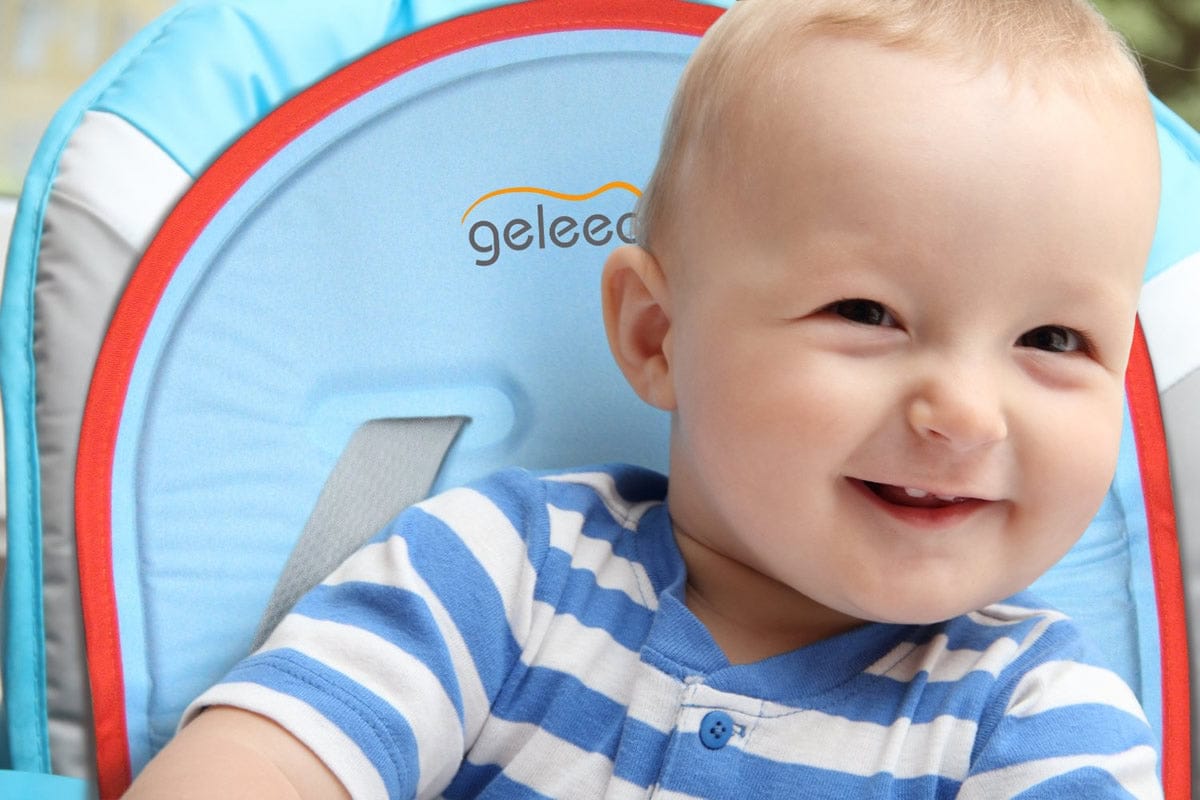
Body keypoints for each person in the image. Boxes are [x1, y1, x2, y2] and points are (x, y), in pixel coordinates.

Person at [125, 0, 1165, 797]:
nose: (966, 413)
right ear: (657, 335)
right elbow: (266, 761)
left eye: (1053, 339)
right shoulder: (502, 573)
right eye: (868, 312)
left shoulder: (1036, 718)